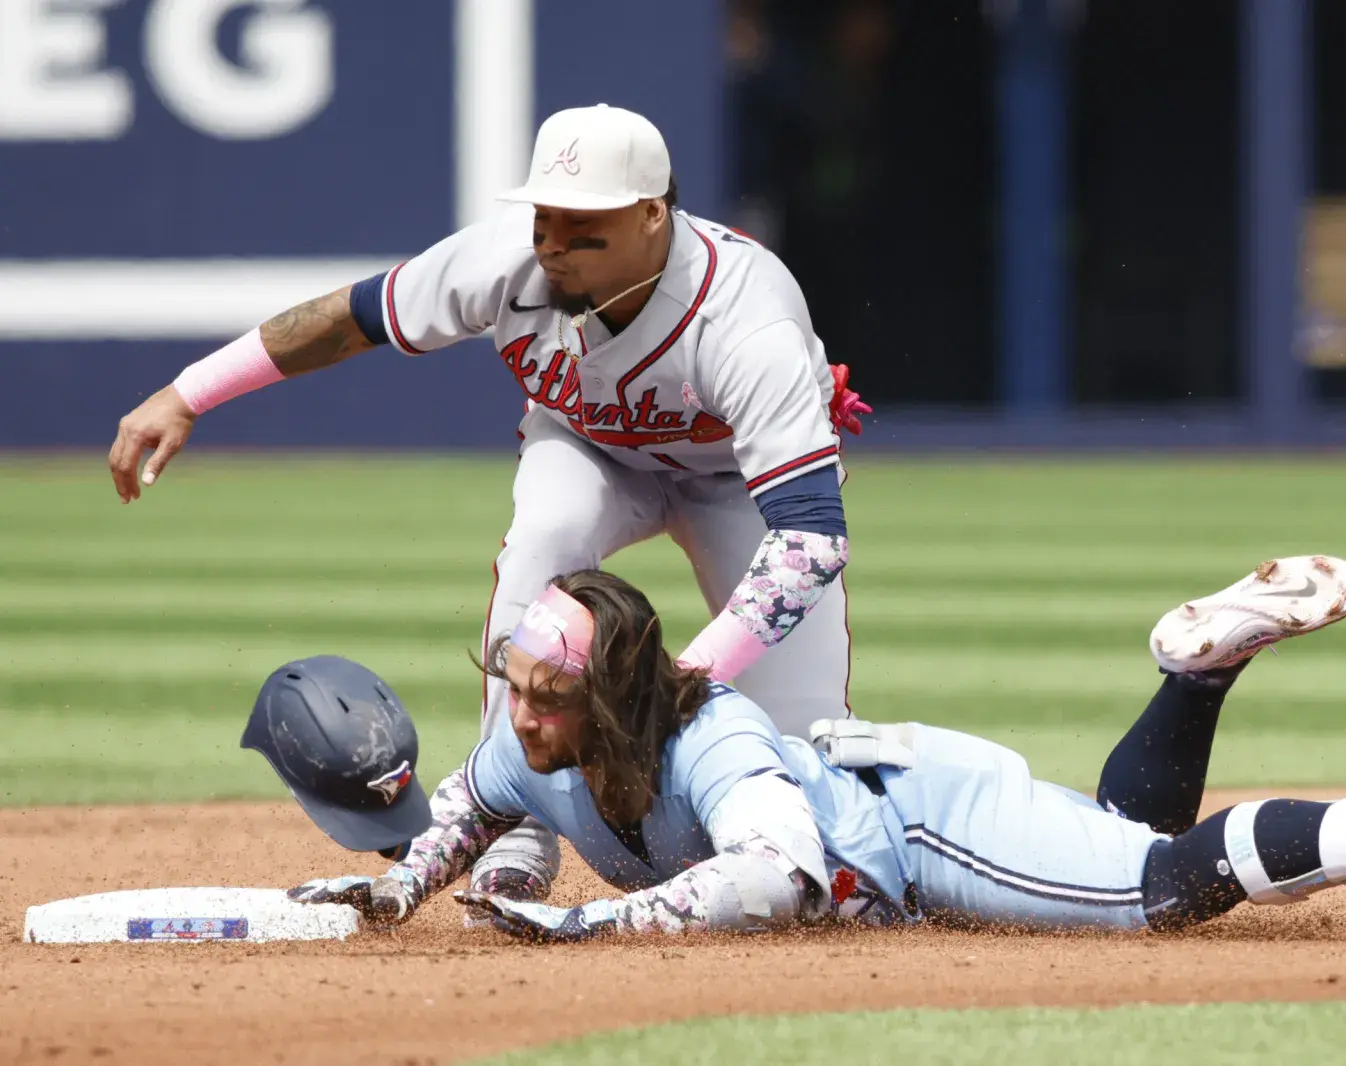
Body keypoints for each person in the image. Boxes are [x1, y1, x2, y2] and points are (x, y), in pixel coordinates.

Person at [106, 103, 872, 918]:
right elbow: (347, 322)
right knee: (546, 536)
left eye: (585, 227)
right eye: (546, 217)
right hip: (591, 453)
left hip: (733, 486)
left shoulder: (743, 319)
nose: (554, 243)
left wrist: (682, 684)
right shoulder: (506, 261)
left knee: (807, 741)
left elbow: (810, 539)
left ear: (655, 215)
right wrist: (190, 392)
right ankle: (512, 831)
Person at [289, 556, 1346, 944]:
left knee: (1150, 891)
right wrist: (395, 885)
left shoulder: (713, 740)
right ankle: (1194, 678)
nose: (521, 716)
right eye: (513, 689)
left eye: (547, 696)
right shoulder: (532, 744)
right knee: (1125, 842)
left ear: (610, 696)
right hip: (893, 796)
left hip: (921, 823)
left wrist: (590, 923)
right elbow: (461, 808)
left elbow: (773, 876)